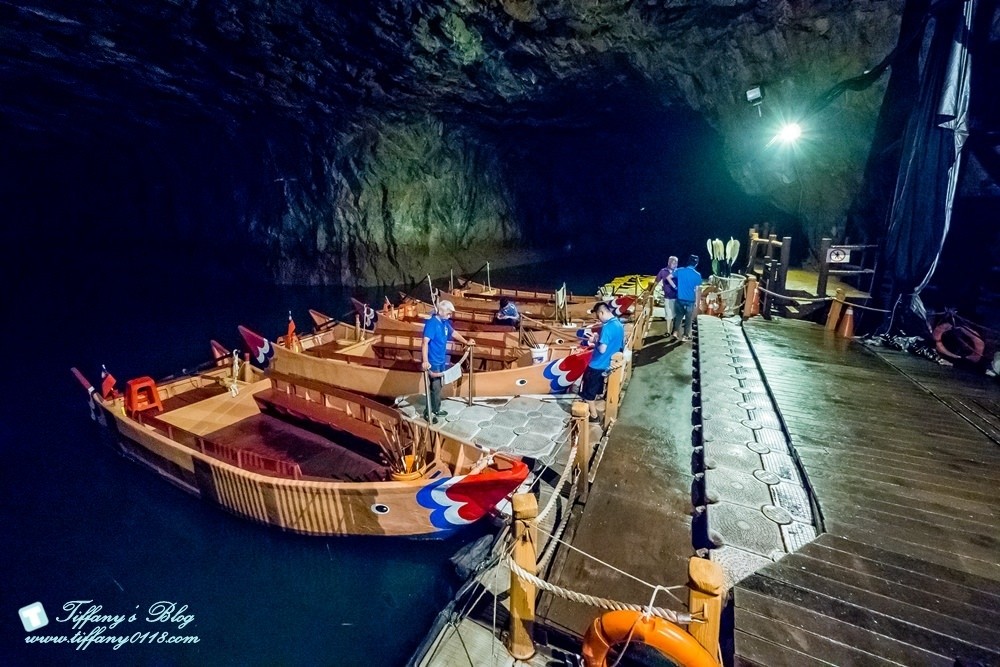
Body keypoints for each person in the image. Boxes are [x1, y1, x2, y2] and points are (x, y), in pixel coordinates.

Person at [421, 300, 474, 418]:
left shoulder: (444, 323)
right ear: (440, 311)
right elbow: (425, 342)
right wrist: (425, 361)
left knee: (438, 386)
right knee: (434, 386)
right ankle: (428, 412)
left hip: (441, 359)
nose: (450, 316)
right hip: (432, 361)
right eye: (448, 313)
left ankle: (435, 408)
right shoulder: (432, 323)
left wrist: (466, 342)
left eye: (450, 314)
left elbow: (454, 333)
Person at [581, 301, 625, 422]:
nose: (598, 319)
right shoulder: (619, 324)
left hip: (597, 364)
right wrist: (597, 338)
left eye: (597, 315)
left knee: (587, 393)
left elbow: (602, 349)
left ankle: (593, 416)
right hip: (608, 364)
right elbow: (620, 344)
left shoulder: (606, 327)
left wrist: (594, 341)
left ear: (601, 312)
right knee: (596, 389)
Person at [673, 255, 703, 341]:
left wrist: (675, 287)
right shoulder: (697, 275)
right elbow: (697, 289)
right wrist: (697, 302)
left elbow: (669, 277)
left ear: (688, 261)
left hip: (679, 298)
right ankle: (685, 335)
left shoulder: (680, 271)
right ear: (696, 264)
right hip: (690, 300)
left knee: (678, 316)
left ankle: (675, 332)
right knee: (688, 318)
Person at [653, 255, 679, 334]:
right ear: (668, 262)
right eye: (672, 262)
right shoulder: (663, 271)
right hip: (667, 297)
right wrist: (651, 291)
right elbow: (656, 281)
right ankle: (668, 331)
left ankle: (675, 331)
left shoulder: (678, 272)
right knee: (668, 315)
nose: (674, 264)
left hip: (677, 297)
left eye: (675, 263)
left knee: (676, 315)